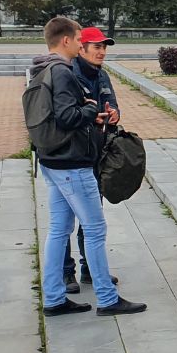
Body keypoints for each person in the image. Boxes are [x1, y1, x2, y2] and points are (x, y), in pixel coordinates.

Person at [30, 17, 145, 317]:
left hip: (51, 159)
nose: (83, 44)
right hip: (72, 163)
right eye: (80, 39)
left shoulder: (41, 67)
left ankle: (54, 298)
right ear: (66, 41)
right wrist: (92, 108)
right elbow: (69, 117)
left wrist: (88, 113)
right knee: (94, 229)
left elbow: (59, 115)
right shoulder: (63, 72)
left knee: (58, 229)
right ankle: (107, 298)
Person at [62, 27, 121, 294]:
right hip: (72, 156)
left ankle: (90, 269)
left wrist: (113, 113)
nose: (101, 51)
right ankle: (66, 273)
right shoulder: (68, 75)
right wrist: (91, 115)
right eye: (96, 46)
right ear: (80, 47)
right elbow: (66, 116)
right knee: (65, 218)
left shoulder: (102, 75)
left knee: (93, 215)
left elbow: (111, 104)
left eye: (104, 47)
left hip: (96, 153)